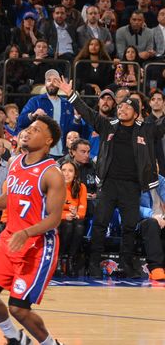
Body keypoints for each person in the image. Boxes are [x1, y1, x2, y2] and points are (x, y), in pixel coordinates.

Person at [54, 75, 163, 279]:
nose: (121, 110)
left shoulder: (146, 130)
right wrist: (71, 94)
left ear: (136, 113)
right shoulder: (108, 125)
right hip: (109, 184)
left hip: (132, 186)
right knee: (100, 223)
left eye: (127, 108)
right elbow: (88, 113)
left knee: (129, 226)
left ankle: (126, 265)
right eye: (120, 107)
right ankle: (94, 264)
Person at [0, 114, 66, 345]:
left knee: (19, 309)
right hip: (10, 239)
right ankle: (14, 337)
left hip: (37, 246)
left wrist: (26, 233)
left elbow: (55, 219)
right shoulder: (15, 161)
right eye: (28, 128)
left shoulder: (52, 173)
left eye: (35, 130)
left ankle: (51, 344)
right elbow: (13, 195)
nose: (27, 131)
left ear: (48, 141)